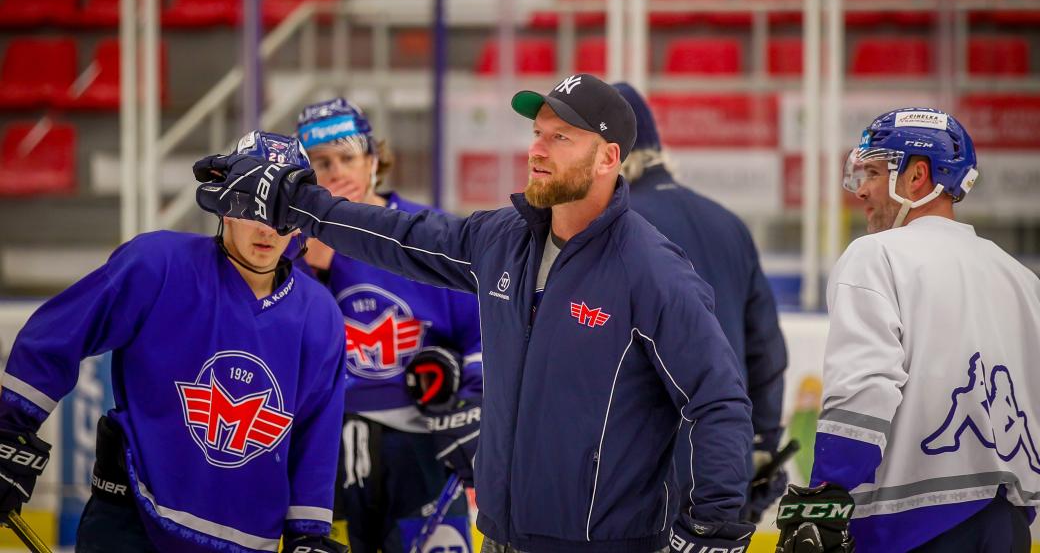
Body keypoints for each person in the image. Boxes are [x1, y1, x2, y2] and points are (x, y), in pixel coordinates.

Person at [194, 73, 756, 553]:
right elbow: (401, 235)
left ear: (608, 157)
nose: (537, 149)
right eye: (537, 134)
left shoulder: (651, 270)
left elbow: (717, 400)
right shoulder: (505, 240)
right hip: (503, 537)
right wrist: (301, 204)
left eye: (561, 138)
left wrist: (714, 522)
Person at [0, 131, 348, 553]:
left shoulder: (320, 315)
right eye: (252, 204)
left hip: (246, 543)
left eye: (283, 209)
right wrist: (9, 428)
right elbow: (59, 333)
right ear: (224, 201)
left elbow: (317, 433)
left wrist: (308, 534)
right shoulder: (158, 264)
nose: (268, 227)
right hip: (131, 527)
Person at [775, 108, 1039, 553]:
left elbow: (865, 384)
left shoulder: (876, 256)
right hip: (1009, 523)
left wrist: (828, 490)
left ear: (918, 176)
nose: (861, 190)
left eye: (874, 172)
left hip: (909, 526)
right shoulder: (1022, 278)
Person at [294, 98, 482, 553]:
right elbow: (279, 349)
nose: (336, 172)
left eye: (347, 158)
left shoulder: (427, 234)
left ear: (373, 160)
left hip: (425, 445)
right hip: (327, 448)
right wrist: (309, 272)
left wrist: (473, 402)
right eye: (321, 163)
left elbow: (481, 332)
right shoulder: (287, 248)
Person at [612, 82, 789, 523]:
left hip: (638, 478)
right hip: (721, 467)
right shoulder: (728, 223)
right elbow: (765, 353)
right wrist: (761, 446)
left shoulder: (615, 228)